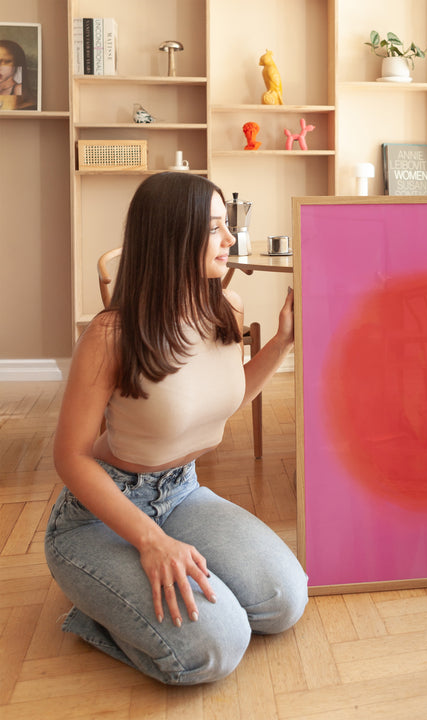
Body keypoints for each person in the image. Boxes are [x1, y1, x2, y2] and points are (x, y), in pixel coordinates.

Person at [44, 172, 308, 685]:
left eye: (226, 225)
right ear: (172, 236)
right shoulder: (112, 333)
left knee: (284, 600)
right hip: (98, 516)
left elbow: (223, 399)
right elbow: (70, 456)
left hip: (183, 493)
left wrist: (282, 343)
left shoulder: (223, 308)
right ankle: (99, 602)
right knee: (216, 647)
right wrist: (149, 541)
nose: (230, 239)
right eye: (216, 228)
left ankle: (140, 590)